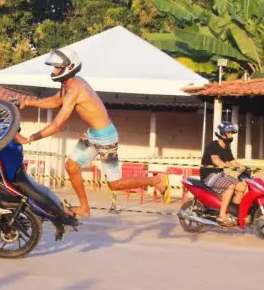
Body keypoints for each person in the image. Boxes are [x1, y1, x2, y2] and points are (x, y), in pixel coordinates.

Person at [16, 49, 168, 218]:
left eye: (57, 68)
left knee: (115, 185)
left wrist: (29, 139)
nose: (53, 71)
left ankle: (156, 180)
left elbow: (57, 125)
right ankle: (84, 208)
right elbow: (57, 100)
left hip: (105, 137)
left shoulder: (75, 89)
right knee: (71, 167)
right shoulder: (70, 84)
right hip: (93, 134)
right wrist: (30, 102)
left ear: (69, 67)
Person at [200, 122, 246, 227]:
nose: (231, 135)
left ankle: (233, 213)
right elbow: (216, 161)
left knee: (241, 186)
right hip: (209, 176)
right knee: (230, 187)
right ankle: (221, 215)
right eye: (229, 133)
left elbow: (233, 161)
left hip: (219, 174)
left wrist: (243, 168)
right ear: (222, 134)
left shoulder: (226, 147)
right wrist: (227, 165)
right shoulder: (213, 145)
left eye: (231, 133)